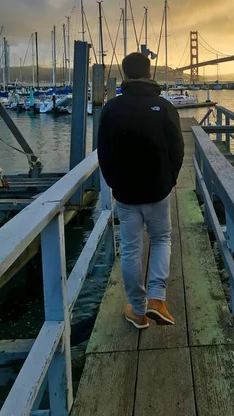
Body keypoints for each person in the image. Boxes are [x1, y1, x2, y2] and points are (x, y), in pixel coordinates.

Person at [97, 52, 184, 329]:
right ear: (149, 74)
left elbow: (104, 152)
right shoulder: (165, 107)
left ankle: (138, 310)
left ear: (124, 75)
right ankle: (157, 299)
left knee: (131, 249)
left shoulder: (111, 109)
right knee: (161, 240)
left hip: (125, 193)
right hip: (158, 190)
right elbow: (178, 150)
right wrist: (169, 180)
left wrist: (113, 183)